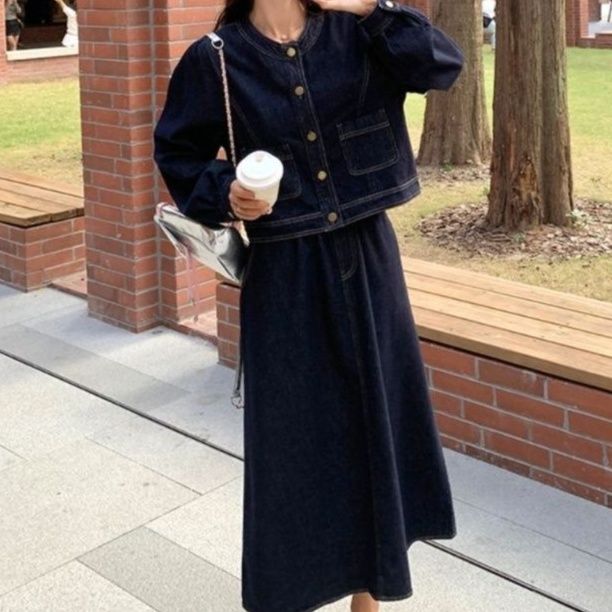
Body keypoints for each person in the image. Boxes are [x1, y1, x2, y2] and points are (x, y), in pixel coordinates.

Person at [153, 1, 463, 611]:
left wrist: (371, 8)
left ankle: (369, 599)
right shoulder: (215, 59)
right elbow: (178, 156)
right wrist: (228, 193)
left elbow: (441, 66)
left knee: (379, 421)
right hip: (284, 274)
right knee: (296, 444)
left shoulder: (359, 31)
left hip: (368, 256)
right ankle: (293, 593)